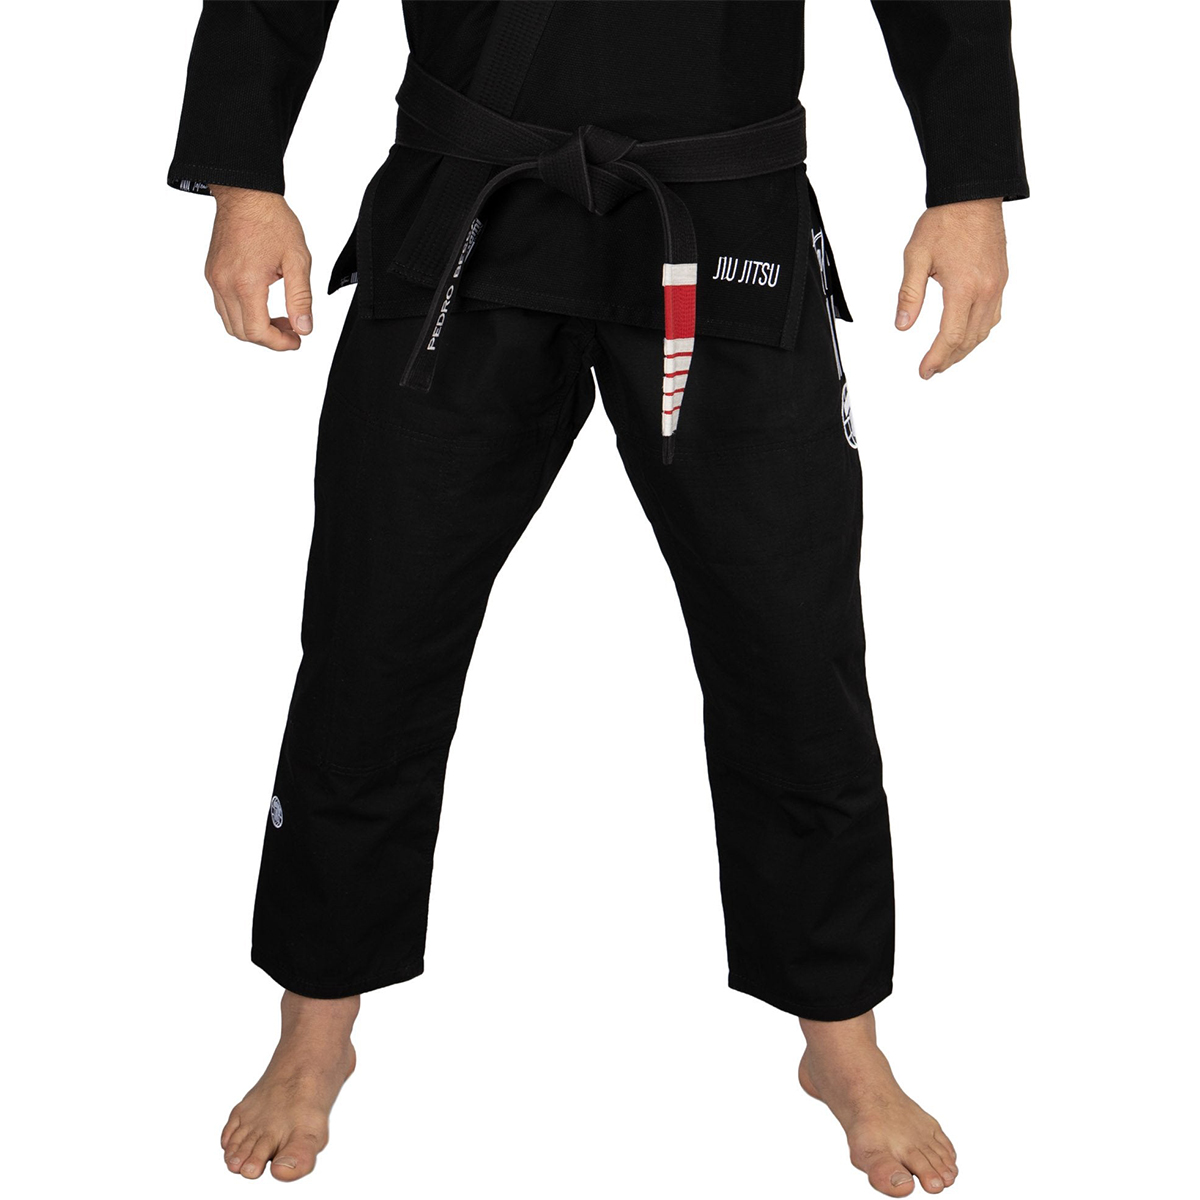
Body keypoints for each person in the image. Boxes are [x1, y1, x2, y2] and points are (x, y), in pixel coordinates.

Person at [167, 1, 1027, 1193]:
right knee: (374, 631)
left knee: (791, 648)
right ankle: (315, 1023)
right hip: (470, 203)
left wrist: (969, 181)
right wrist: (244, 175)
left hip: (728, 211)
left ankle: (841, 1036)